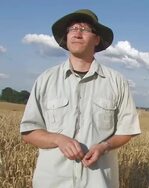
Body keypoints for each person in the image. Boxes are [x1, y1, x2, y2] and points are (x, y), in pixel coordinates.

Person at [20, 9, 141, 188]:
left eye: (84, 29)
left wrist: (104, 146)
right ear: (67, 37)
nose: (77, 33)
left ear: (97, 39)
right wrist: (58, 139)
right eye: (72, 29)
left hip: (98, 182)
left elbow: (127, 130)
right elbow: (29, 132)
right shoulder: (46, 80)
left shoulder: (116, 82)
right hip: (52, 182)